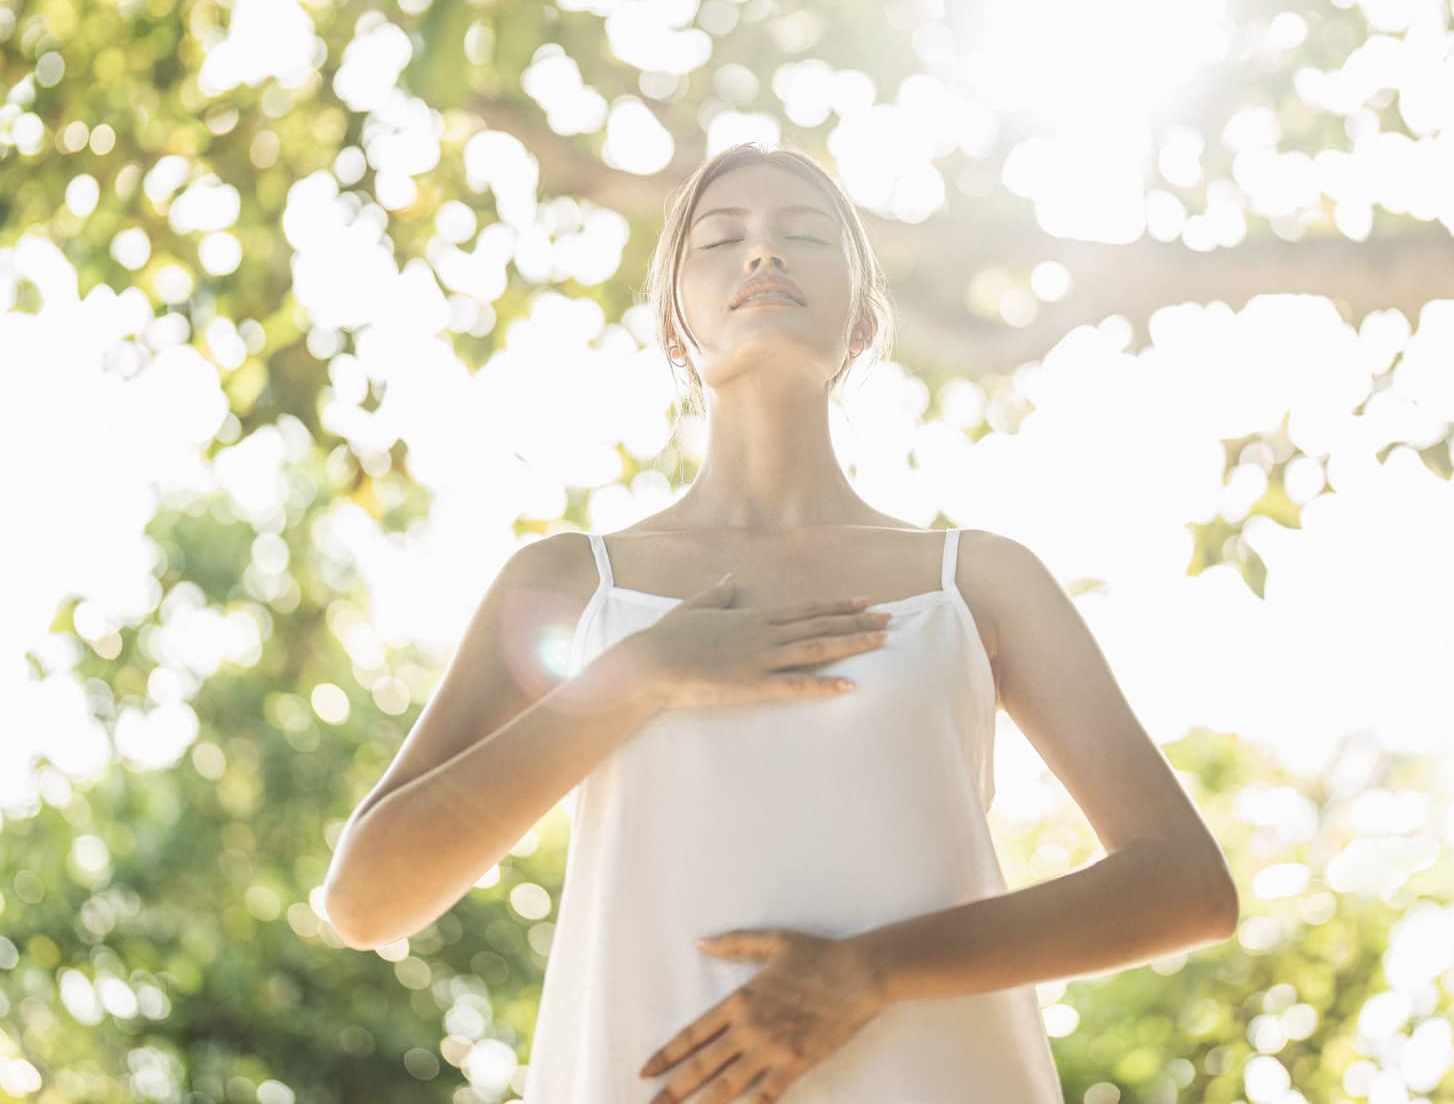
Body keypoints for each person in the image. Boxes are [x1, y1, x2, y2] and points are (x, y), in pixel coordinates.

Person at [321, 142, 1239, 1102]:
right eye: (722, 239)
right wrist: (635, 679)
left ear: (861, 322)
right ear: (675, 326)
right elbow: (367, 899)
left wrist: (867, 972)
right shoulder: (565, 582)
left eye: (806, 236)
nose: (764, 255)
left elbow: (1184, 887)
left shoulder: (979, 581)